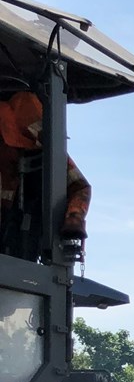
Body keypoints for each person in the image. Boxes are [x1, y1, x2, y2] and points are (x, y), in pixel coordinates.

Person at [0, 90, 90, 259]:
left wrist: (74, 218)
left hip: (23, 239)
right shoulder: (10, 147)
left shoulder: (51, 157)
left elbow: (80, 186)